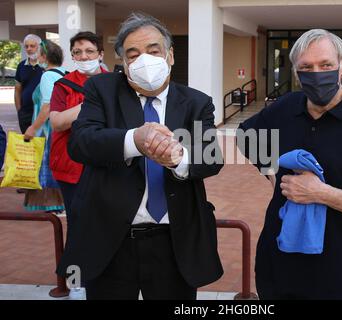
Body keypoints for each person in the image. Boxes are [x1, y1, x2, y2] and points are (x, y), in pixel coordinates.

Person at [56, 13, 224, 300]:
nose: (144, 60)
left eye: (153, 51)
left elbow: (211, 158)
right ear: (123, 63)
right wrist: (134, 140)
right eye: (133, 55)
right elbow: (81, 143)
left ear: (170, 55)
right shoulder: (101, 90)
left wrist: (178, 158)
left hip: (174, 244)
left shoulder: (197, 102)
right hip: (111, 242)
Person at [238, 29, 342, 300]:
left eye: (325, 65)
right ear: (295, 72)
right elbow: (245, 134)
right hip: (277, 265)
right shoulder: (286, 107)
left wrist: (321, 193)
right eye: (306, 67)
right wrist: (268, 169)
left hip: (335, 274)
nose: (316, 73)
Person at [49, 31, 108, 236]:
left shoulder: (115, 83)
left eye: (90, 51)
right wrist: (91, 105)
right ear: (72, 56)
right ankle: (77, 267)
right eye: (78, 52)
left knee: (108, 221)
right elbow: (56, 122)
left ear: (100, 54)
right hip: (72, 167)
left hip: (107, 165)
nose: (84, 57)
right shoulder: (63, 85)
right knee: (78, 223)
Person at [23, 40, 65, 213]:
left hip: (48, 131)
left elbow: (47, 106)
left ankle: (53, 205)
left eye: (39, 53)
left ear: (45, 57)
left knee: (46, 169)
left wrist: (33, 128)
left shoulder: (48, 76)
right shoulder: (63, 73)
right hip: (58, 130)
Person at [15, 34, 43, 134]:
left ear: (39, 47)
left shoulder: (46, 65)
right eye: (26, 46)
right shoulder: (21, 66)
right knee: (27, 144)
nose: (29, 49)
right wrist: (19, 111)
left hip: (42, 112)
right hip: (25, 113)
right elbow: (18, 90)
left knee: (42, 144)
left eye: (32, 46)